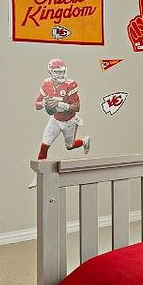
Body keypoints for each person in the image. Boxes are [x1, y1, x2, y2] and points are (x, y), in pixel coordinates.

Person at [28, 58, 90, 188]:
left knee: (70, 146)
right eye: (58, 72)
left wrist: (61, 105)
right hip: (55, 120)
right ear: (50, 72)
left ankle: (84, 141)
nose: (61, 74)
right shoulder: (46, 84)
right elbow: (37, 104)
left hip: (69, 120)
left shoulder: (70, 85)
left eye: (62, 71)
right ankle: (39, 176)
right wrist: (43, 103)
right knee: (44, 146)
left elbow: (77, 107)